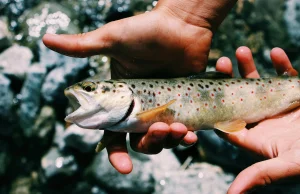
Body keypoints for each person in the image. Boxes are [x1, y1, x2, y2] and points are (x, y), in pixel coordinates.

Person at [42, 0, 300, 193]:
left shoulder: (133, 111)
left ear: (122, 91)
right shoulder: (124, 115)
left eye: (90, 90)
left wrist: (184, 17)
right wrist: (185, 17)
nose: (83, 94)